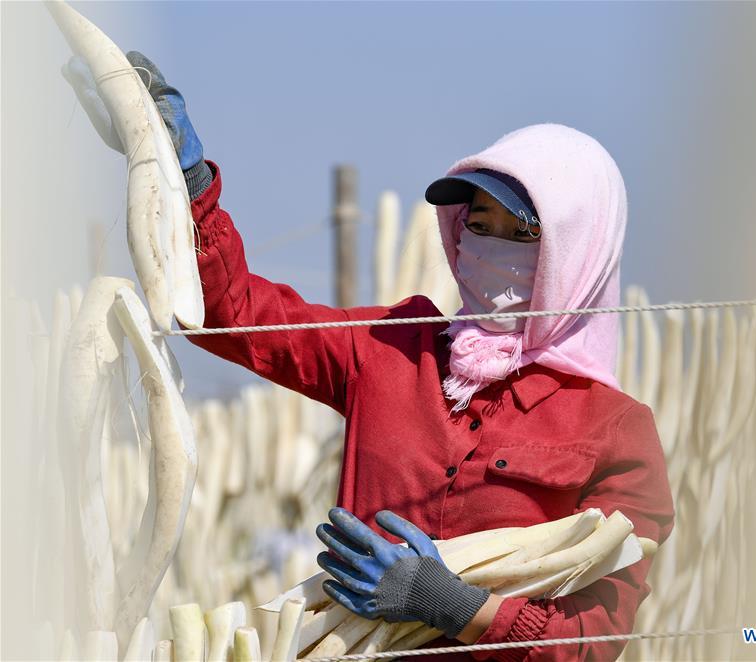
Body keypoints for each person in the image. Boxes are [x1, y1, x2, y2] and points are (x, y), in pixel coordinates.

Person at [65, 52, 675, 661]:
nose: (489, 251)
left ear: (581, 254)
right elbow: (236, 313)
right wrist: (180, 179)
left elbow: (593, 643)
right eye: (479, 224)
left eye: (521, 235)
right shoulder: (393, 348)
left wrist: (450, 604)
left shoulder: (614, 431)